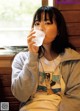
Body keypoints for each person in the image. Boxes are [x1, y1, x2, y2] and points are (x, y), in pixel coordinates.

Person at [11, 6, 80, 111]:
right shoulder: (21, 59)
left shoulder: (73, 60)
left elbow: (75, 98)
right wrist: (32, 56)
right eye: (37, 23)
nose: (40, 28)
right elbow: (21, 95)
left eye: (47, 23)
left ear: (58, 31)